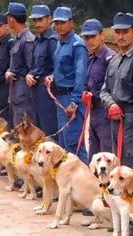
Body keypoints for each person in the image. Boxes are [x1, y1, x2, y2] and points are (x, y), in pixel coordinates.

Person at [100, 12, 133, 173]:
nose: (121, 36)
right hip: (114, 117)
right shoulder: (114, 60)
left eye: (125, 32)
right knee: (118, 163)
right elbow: (104, 90)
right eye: (118, 32)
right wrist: (111, 104)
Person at [46, 7, 88, 164]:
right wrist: (52, 77)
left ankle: (84, 183)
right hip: (60, 98)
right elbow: (62, 69)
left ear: (71, 22)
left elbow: (80, 75)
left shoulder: (78, 45)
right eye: (56, 23)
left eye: (62, 22)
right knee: (63, 144)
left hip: (71, 98)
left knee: (75, 144)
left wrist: (74, 102)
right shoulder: (59, 42)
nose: (59, 26)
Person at [81, 19, 116, 158]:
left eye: (92, 36)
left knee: (106, 156)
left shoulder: (110, 59)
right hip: (93, 111)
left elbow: (114, 89)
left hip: (106, 113)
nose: (89, 41)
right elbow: (87, 83)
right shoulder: (91, 58)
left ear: (102, 35)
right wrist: (85, 93)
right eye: (86, 37)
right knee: (94, 155)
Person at [26, 5, 58, 137]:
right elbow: (33, 65)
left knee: (49, 129)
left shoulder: (53, 40)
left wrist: (52, 76)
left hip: (47, 90)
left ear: (49, 19)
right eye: (35, 20)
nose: (37, 23)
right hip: (35, 89)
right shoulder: (37, 40)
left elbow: (58, 66)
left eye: (40, 20)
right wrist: (28, 75)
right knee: (37, 129)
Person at [5, 2, 36, 126]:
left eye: (8, 18)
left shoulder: (28, 40)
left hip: (24, 93)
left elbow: (32, 68)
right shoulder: (18, 39)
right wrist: (8, 71)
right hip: (16, 91)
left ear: (12, 19)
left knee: (25, 130)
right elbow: (16, 64)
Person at [0, 13, 14, 124]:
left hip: (7, 84)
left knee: (6, 115)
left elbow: (12, 63)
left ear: (7, 26)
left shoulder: (11, 42)